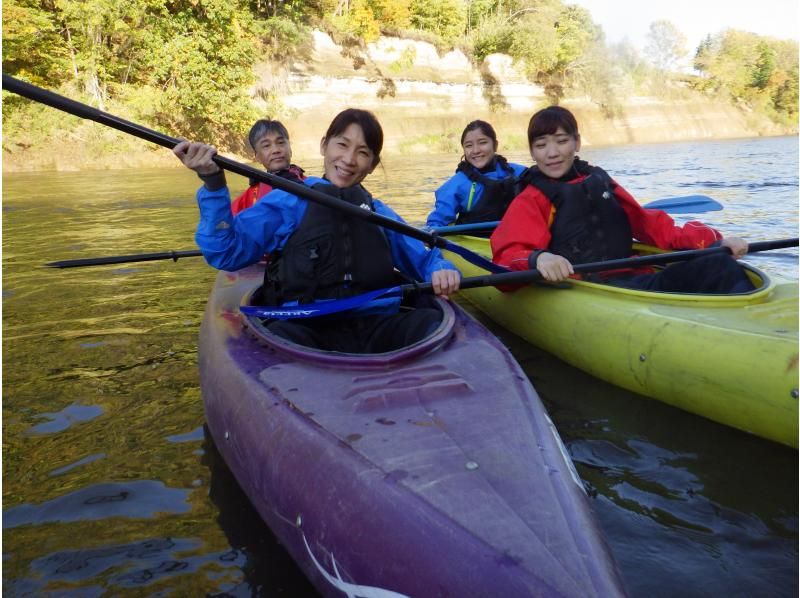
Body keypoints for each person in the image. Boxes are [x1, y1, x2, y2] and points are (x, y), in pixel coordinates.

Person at [173, 108, 461, 353]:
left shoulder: (378, 212)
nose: (349, 160)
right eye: (342, 145)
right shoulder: (288, 202)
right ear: (324, 146)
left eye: (362, 152)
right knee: (282, 337)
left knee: (428, 323)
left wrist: (442, 269)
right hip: (306, 328)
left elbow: (423, 260)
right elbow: (225, 252)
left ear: (372, 165)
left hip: (376, 327)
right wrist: (213, 184)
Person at [491, 105, 754, 294]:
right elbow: (506, 262)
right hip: (587, 288)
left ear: (577, 143)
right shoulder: (532, 198)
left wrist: (714, 241)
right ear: (532, 152)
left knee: (719, 263)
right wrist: (538, 259)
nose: (552, 153)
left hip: (632, 278)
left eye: (561, 141)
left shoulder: (600, 181)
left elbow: (651, 225)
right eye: (541, 145)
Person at [425, 120, 526, 229]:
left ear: (495, 145)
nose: (476, 150)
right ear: (463, 149)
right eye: (469, 146)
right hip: (475, 242)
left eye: (482, 143)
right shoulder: (456, 184)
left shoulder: (519, 173)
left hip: (516, 238)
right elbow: (435, 224)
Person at [230, 119, 305, 215]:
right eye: (266, 146)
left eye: (281, 142)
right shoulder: (248, 198)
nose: (276, 150)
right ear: (257, 157)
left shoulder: (310, 185)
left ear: (290, 149)